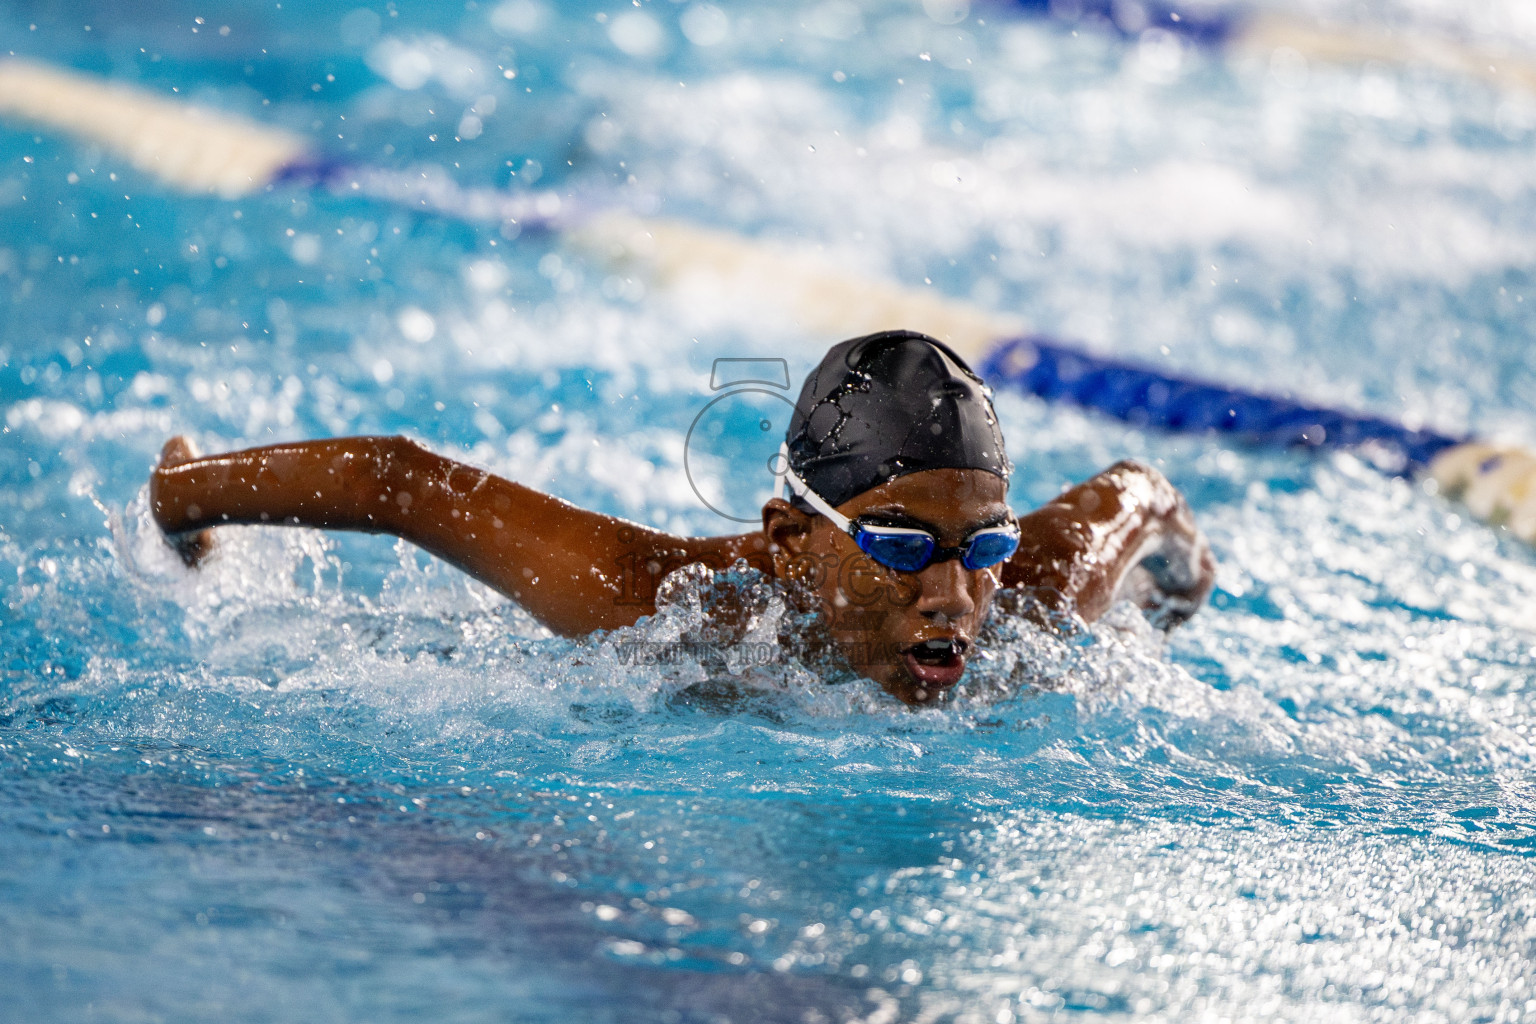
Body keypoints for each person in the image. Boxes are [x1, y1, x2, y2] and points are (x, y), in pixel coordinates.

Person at [149, 330, 1216, 705]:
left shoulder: (1035, 589)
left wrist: (1182, 579)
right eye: (897, 544)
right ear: (796, 541)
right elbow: (398, 481)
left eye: (982, 547)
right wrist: (179, 500)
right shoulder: (663, 607)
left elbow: (1139, 488)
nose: (953, 593)